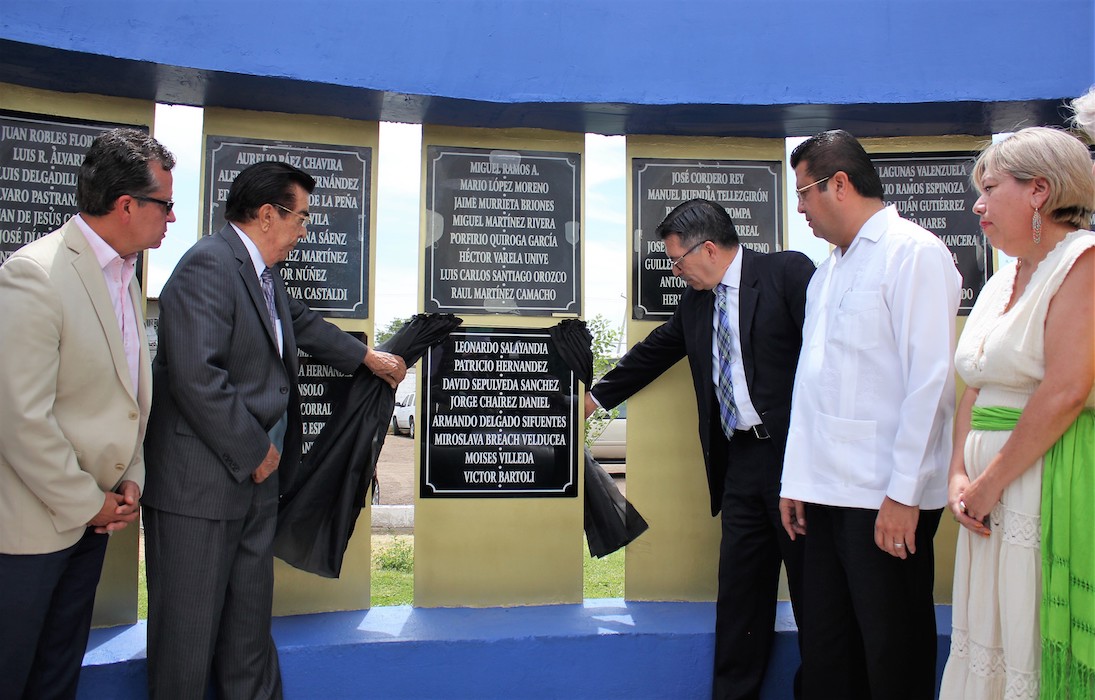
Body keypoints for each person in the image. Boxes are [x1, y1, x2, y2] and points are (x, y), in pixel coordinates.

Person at [142, 161, 406, 699]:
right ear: (268, 214)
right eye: (301, 217)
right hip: (201, 492)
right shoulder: (208, 265)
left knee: (248, 635)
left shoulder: (262, 275)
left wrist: (369, 359)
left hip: (255, 488)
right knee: (186, 644)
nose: (304, 230)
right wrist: (255, 451)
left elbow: (301, 324)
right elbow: (197, 375)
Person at [587, 197, 815, 700]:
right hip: (740, 464)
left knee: (814, 594)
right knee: (739, 595)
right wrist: (593, 399)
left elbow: (827, 363)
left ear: (708, 249)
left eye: (677, 260)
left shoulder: (787, 274)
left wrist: (812, 463)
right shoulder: (696, 304)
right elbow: (653, 352)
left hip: (797, 461)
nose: (675, 271)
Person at [778, 129, 961, 699]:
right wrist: (796, 480)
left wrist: (905, 493)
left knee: (891, 649)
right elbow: (813, 385)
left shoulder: (913, 253)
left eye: (803, 192)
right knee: (829, 648)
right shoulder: (828, 270)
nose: (800, 209)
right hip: (824, 493)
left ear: (839, 184)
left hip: (885, 497)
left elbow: (930, 383)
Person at [0, 128, 176, 699]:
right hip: (30, 532)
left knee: (57, 676)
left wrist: (130, 478)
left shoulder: (124, 277)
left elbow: (124, 399)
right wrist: (88, 501)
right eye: (165, 204)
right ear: (127, 205)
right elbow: (20, 418)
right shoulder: (35, 273)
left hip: (92, 519)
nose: (172, 218)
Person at [939, 127, 1095, 699]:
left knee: (1028, 619)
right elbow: (975, 386)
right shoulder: (1001, 279)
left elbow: (1067, 389)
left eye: (990, 188)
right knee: (991, 626)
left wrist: (989, 483)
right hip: (988, 490)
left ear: (1039, 191)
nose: (977, 205)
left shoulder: (1082, 261)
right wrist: (959, 474)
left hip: (1038, 480)